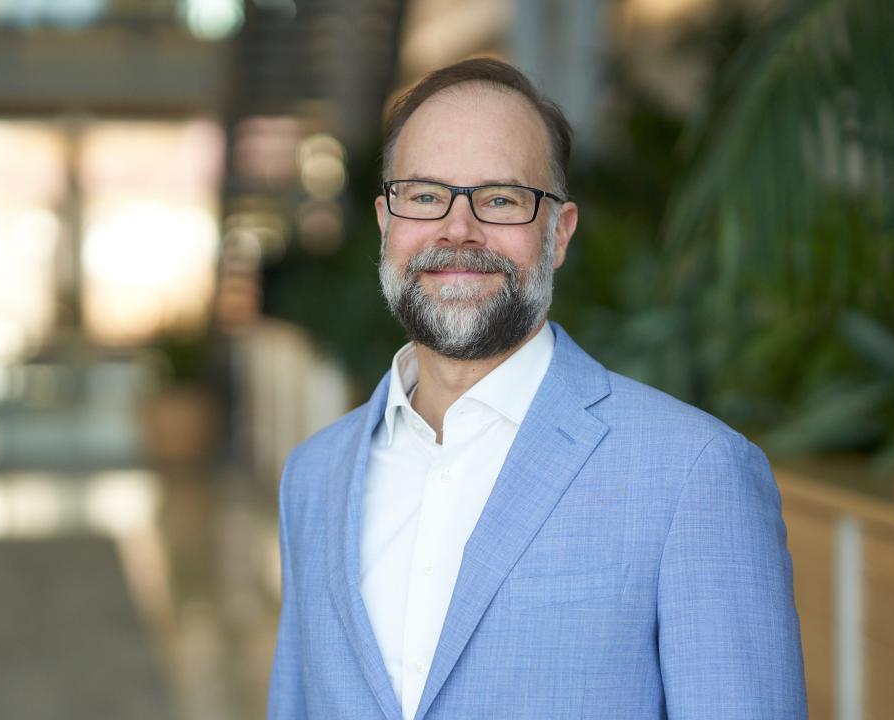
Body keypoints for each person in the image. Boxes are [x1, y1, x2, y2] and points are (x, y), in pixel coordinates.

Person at [267, 58, 807, 720]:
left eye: (500, 199)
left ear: (558, 236)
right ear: (386, 222)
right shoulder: (313, 478)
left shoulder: (695, 474)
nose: (457, 229)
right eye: (425, 194)